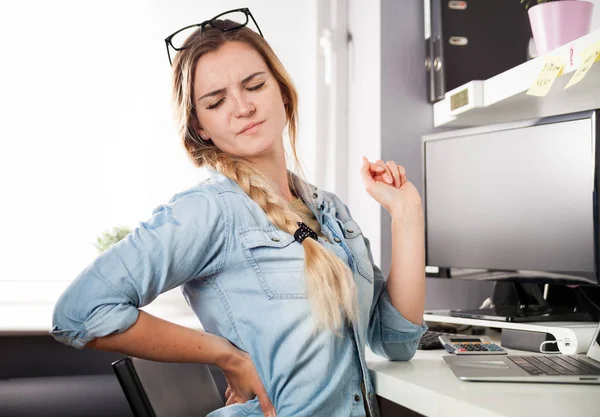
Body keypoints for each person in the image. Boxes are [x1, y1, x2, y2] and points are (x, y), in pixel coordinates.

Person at [51, 8, 427, 417]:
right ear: (201, 128)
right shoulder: (211, 210)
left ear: (281, 92)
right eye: (216, 101)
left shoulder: (330, 210)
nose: (243, 107)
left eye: (254, 85)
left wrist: (406, 214)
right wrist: (226, 356)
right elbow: (78, 312)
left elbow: (396, 341)